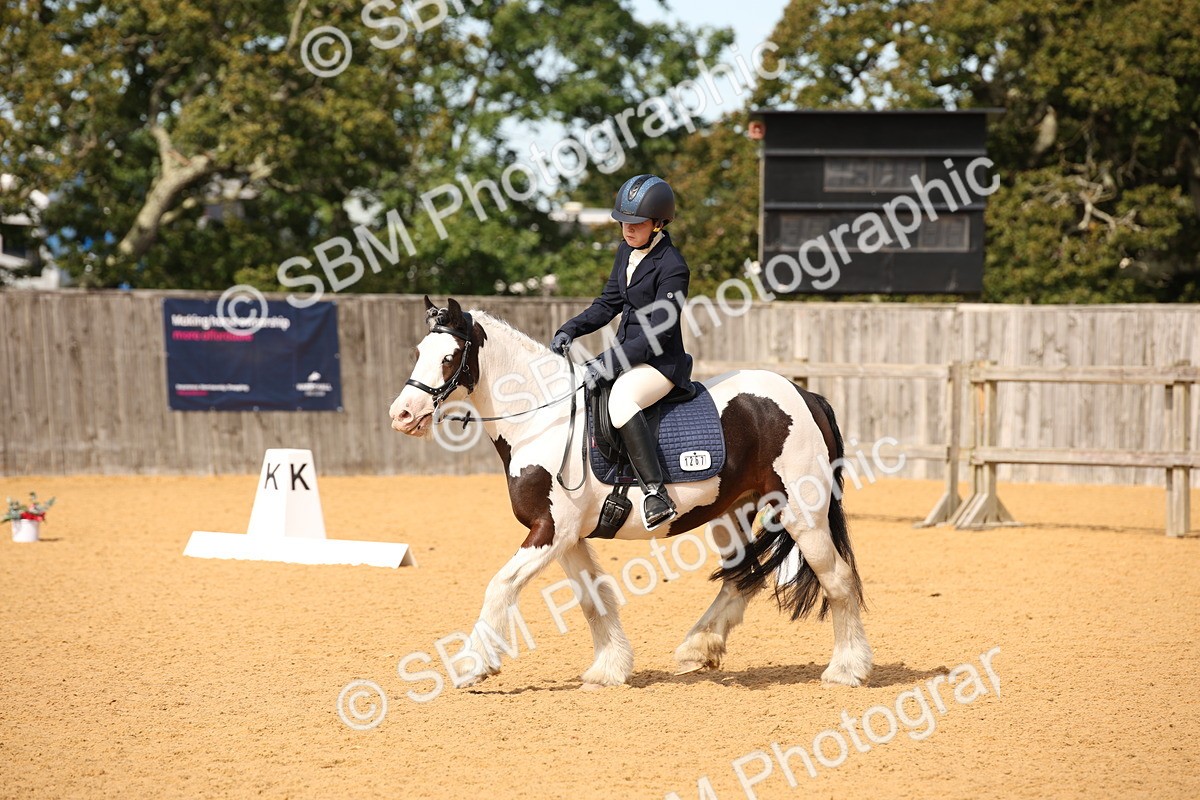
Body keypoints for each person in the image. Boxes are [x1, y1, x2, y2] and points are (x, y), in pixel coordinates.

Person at [549, 174, 692, 531]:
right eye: (623, 222)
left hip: (660, 364)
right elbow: (609, 303)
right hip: (629, 356)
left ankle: (656, 493)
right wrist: (572, 328)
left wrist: (608, 363)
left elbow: (658, 331)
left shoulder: (673, 267)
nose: (627, 230)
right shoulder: (626, 251)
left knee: (622, 401)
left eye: (636, 223)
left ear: (658, 223)